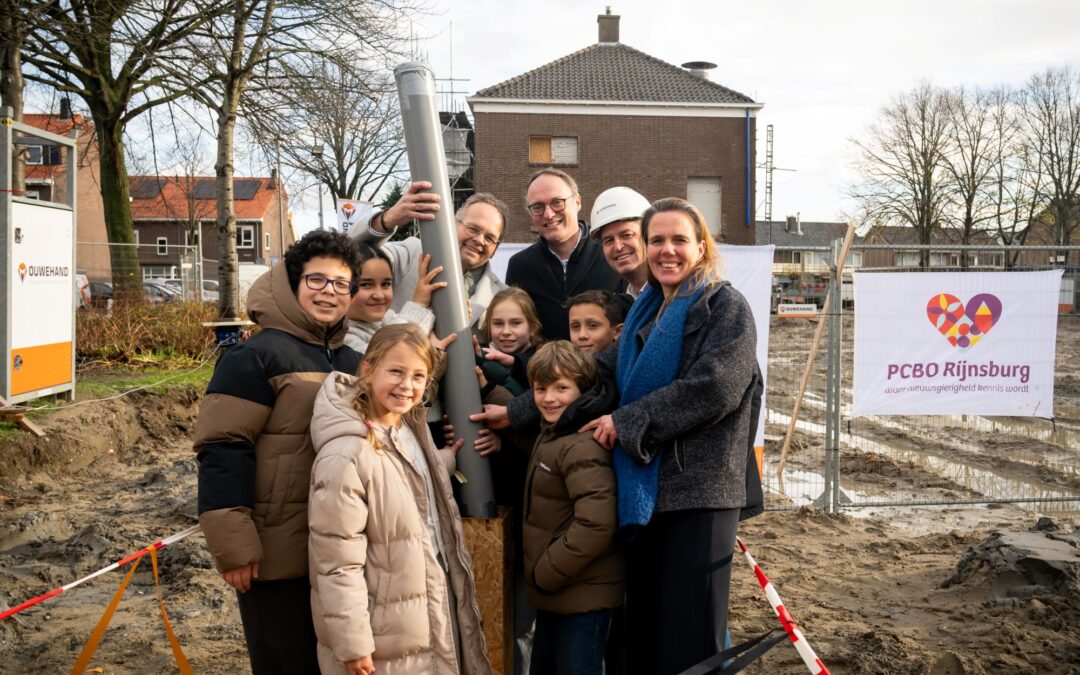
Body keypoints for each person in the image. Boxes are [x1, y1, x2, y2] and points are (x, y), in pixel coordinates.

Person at [581, 198, 758, 675]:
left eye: (679, 239)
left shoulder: (724, 306)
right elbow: (596, 374)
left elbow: (714, 388)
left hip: (700, 494)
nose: (667, 250)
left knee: (692, 644)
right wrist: (518, 394)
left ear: (701, 247)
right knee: (649, 636)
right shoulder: (646, 312)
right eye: (656, 240)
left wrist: (628, 422)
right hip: (649, 492)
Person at [194, 229, 364, 674]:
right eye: (317, 280)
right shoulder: (255, 357)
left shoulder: (351, 362)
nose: (329, 292)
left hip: (334, 550)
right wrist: (234, 546)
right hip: (275, 556)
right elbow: (223, 445)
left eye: (341, 284)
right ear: (293, 283)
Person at [308, 323, 491, 675]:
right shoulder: (346, 455)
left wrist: (445, 461)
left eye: (418, 376)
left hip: (420, 609)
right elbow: (335, 561)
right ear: (368, 368)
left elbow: (403, 477)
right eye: (396, 371)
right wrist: (353, 643)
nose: (407, 385)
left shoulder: (406, 429)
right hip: (382, 633)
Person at [522, 341, 622, 675]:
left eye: (561, 388)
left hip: (581, 595)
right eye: (540, 388)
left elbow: (596, 524)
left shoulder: (581, 446)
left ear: (583, 390)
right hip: (559, 592)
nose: (549, 398)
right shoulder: (553, 434)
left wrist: (547, 572)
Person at [349, 186, 509, 328]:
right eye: (473, 228)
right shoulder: (411, 253)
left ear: (495, 248)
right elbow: (347, 256)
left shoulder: (502, 296)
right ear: (452, 225)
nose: (479, 240)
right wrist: (386, 220)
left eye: (489, 238)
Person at [506, 169, 622, 341]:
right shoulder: (520, 266)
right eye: (538, 207)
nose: (549, 214)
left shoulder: (611, 254)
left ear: (577, 202)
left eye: (557, 202)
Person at [343, 241, 444, 355]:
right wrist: (418, 304)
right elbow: (386, 358)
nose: (379, 295)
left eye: (385, 284)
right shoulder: (343, 338)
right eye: (366, 284)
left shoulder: (388, 318)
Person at [589, 187, 651, 298]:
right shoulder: (616, 302)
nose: (618, 247)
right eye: (609, 240)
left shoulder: (674, 294)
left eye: (627, 235)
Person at [477, 287, 543, 391]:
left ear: (532, 328)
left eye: (516, 323)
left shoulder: (547, 357)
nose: (506, 331)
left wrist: (514, 362)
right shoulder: (479, 356)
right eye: (498, 323)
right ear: (489, 326)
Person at [566, 290, 628, 355]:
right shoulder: (562, 364)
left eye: (593, 325)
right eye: (575, 326)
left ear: (617, 331)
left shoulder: (629, 364)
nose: (582, 335)